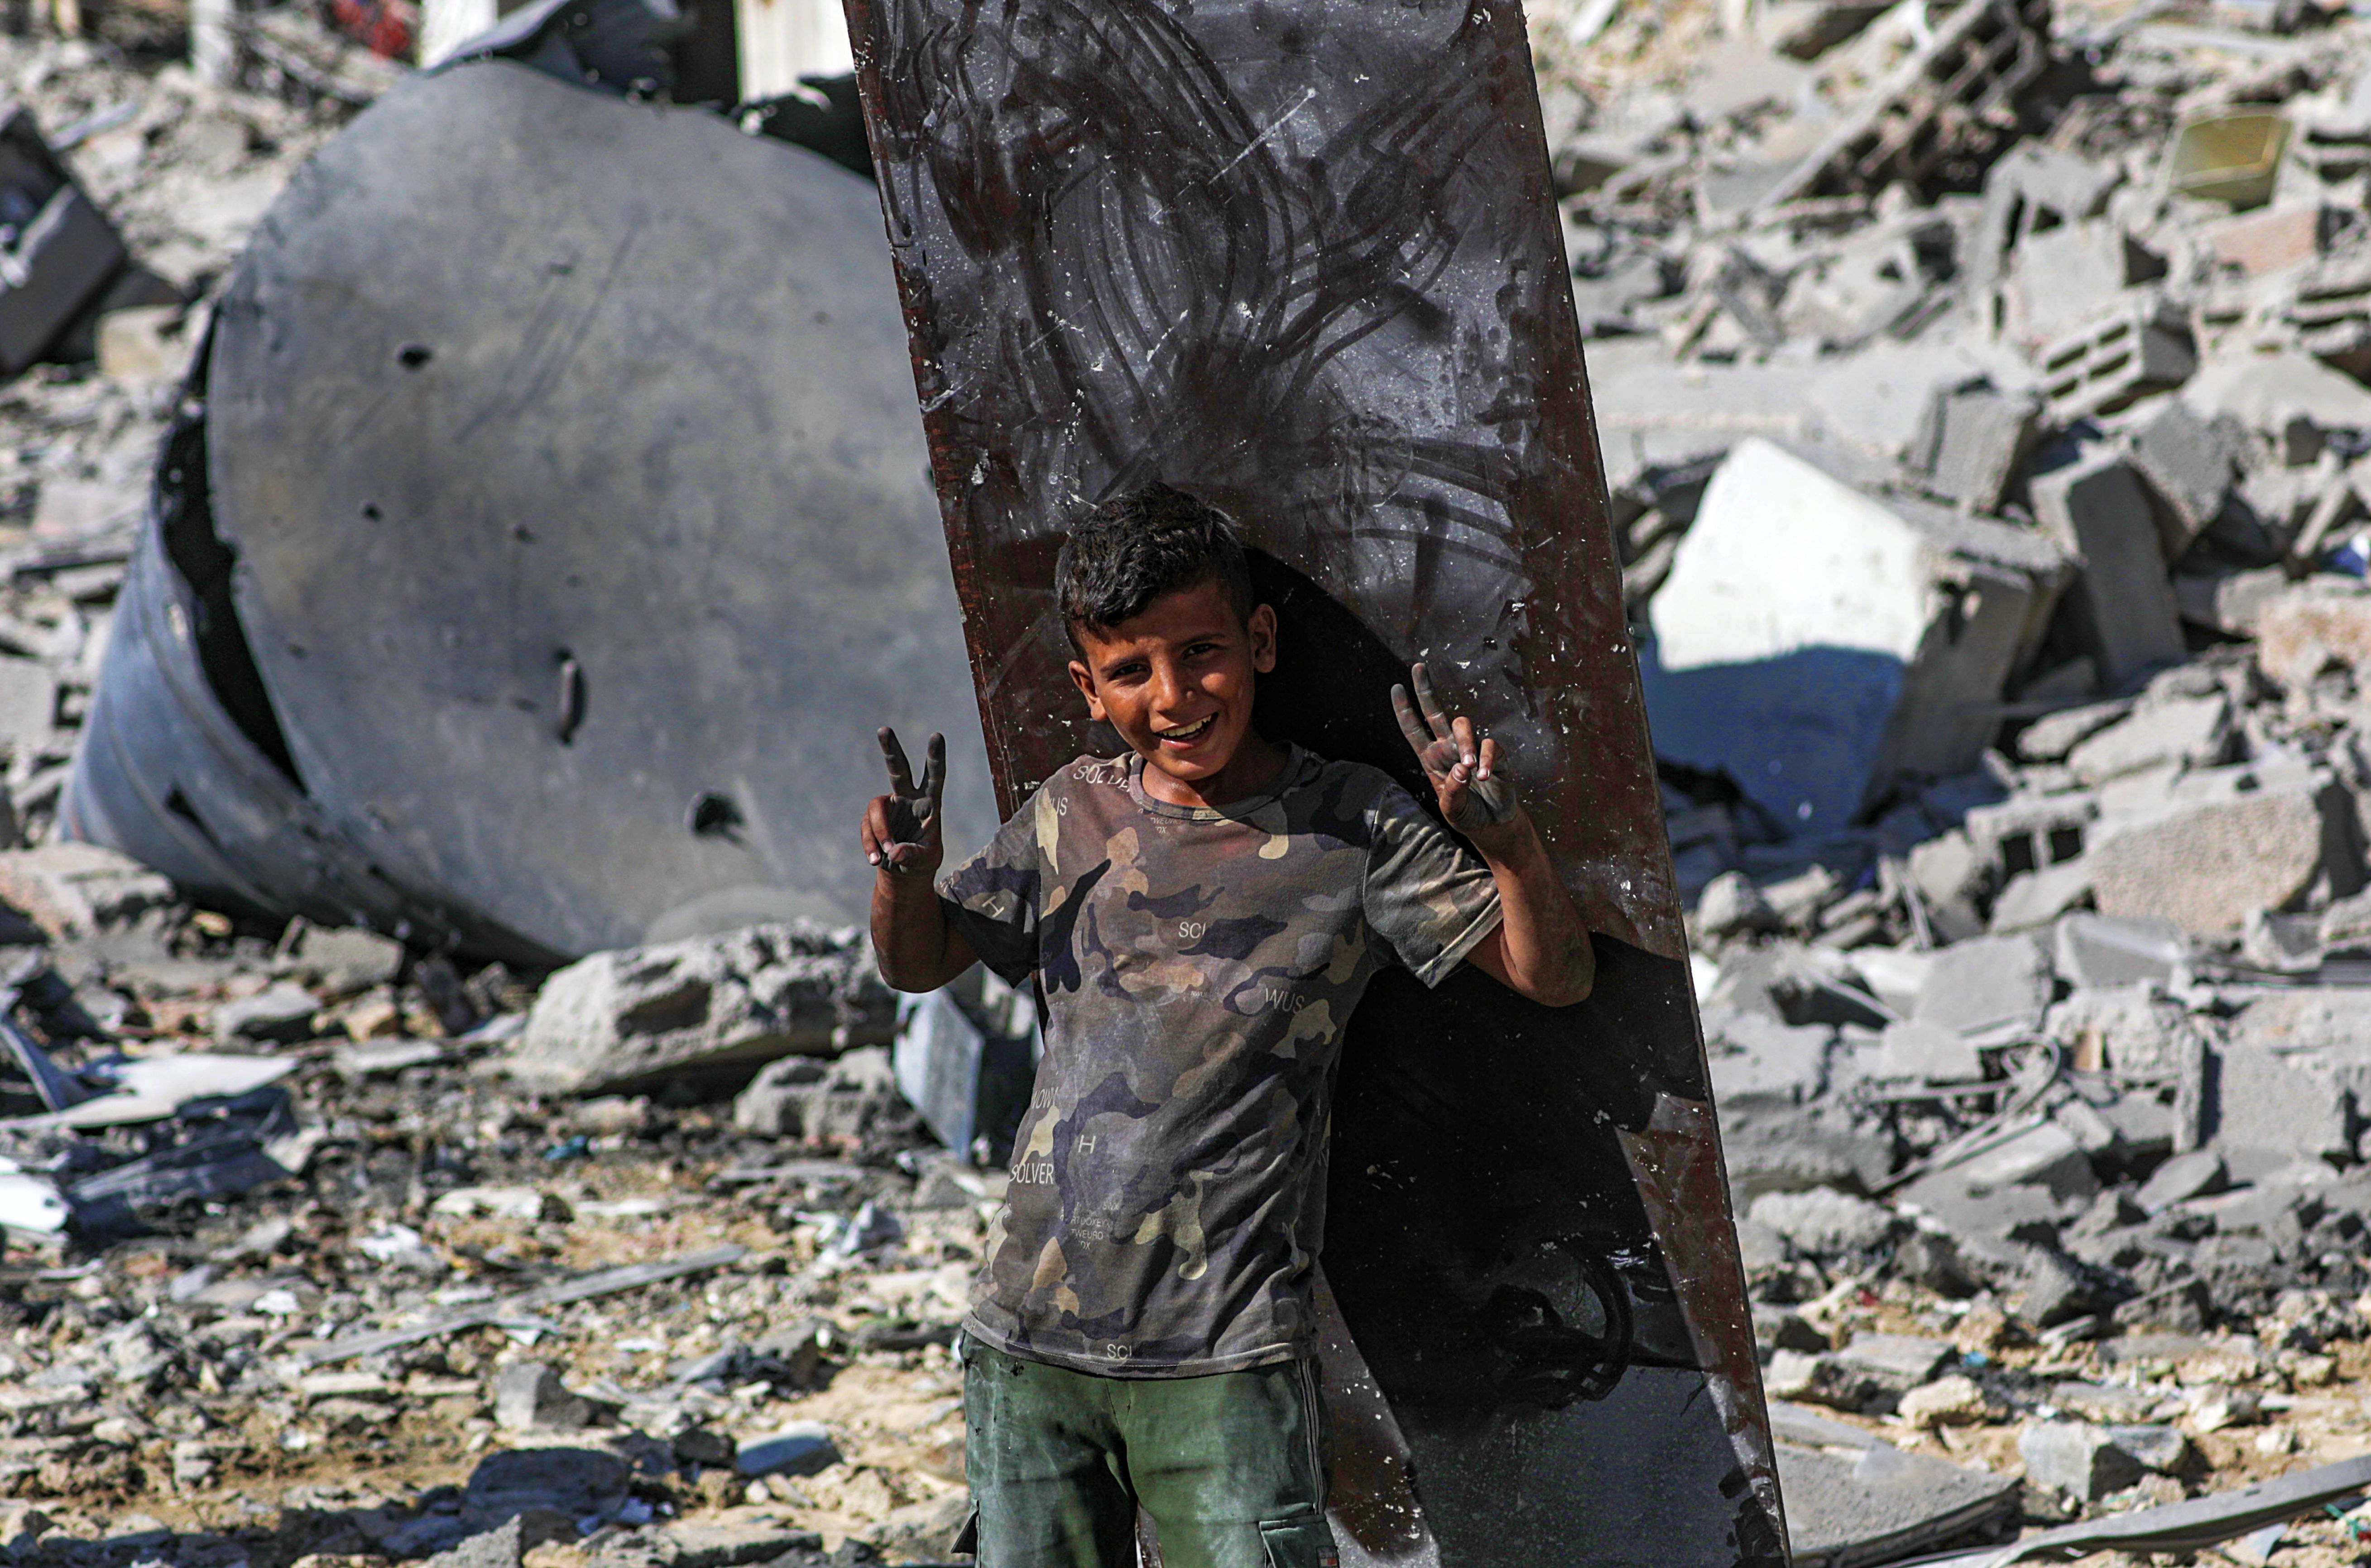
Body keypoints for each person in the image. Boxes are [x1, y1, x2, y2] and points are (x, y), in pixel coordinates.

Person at [859, 482, 1594, 1568]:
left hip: (1225, 1355)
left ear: (1258, 642)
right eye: (1129, 671)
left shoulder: (1350, 825)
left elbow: (1554, 976)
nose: (1172, 696)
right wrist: (901, 878)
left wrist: (1506, 840)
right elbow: (918, 963)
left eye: (1199, 653)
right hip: (1029, 1343)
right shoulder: (1071, 811)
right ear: (1086, 686)